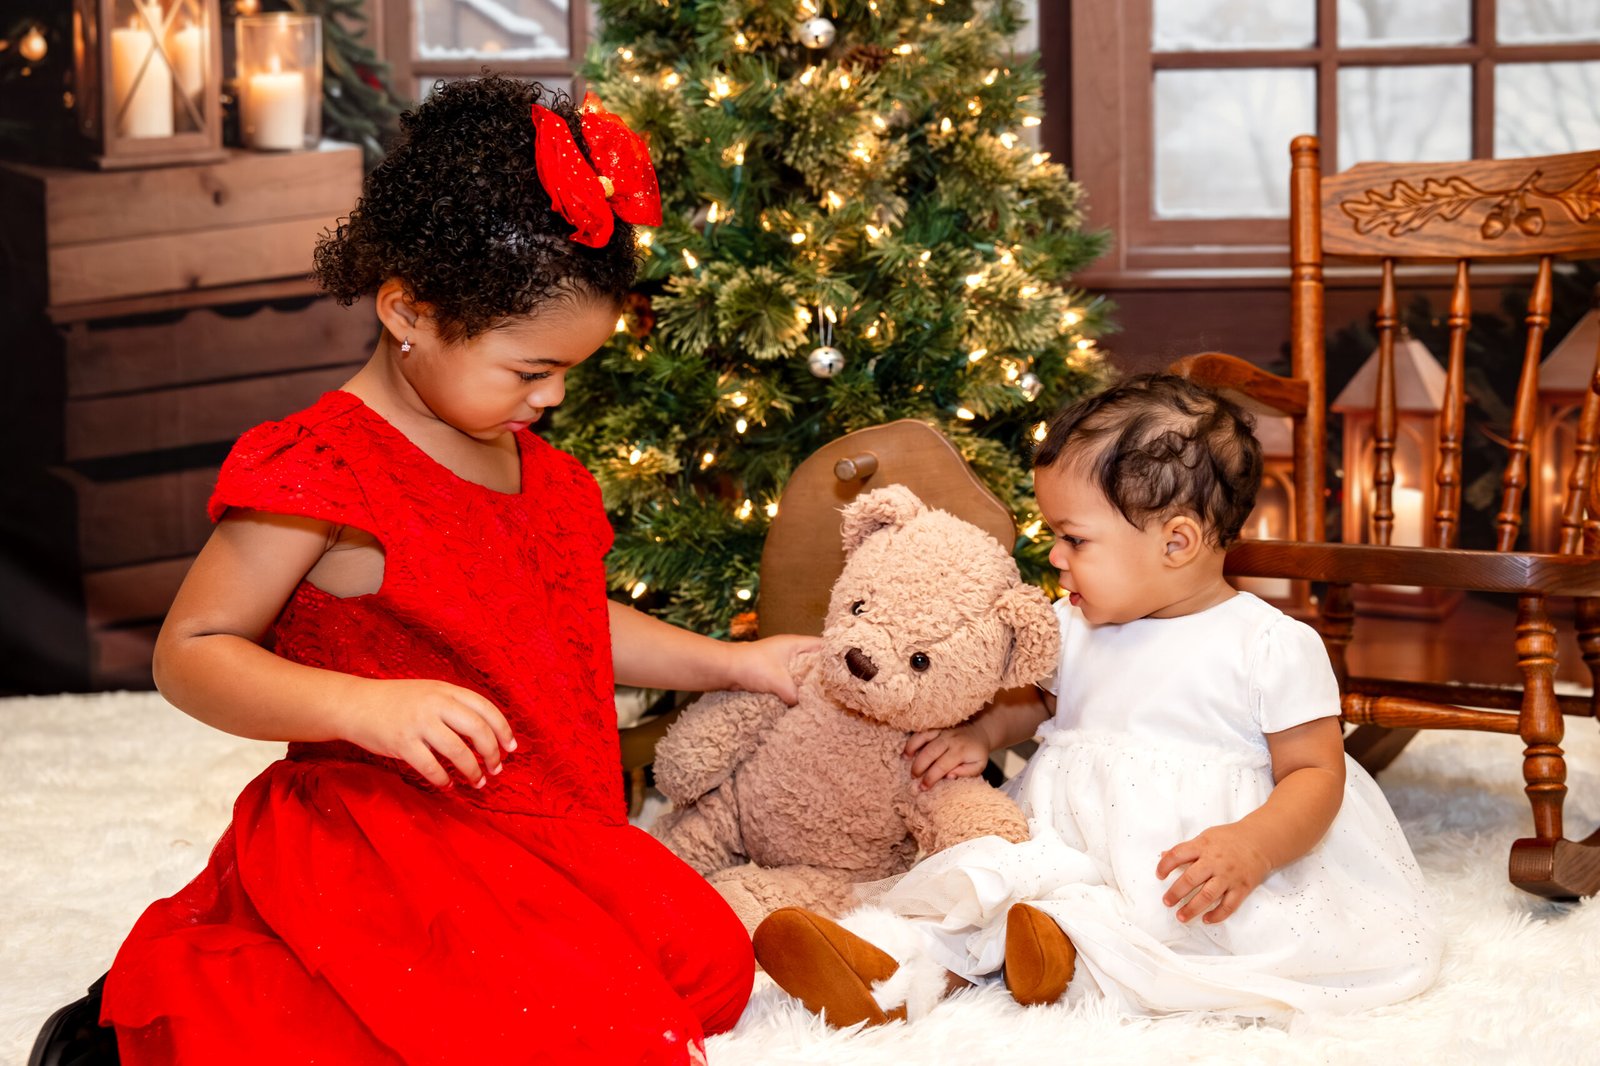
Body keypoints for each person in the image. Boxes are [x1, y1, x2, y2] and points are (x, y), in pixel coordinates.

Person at [72, 76, 817, 1065]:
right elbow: (191, 653)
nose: (550, 398)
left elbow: (562, 623)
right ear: (407, 312)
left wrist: (736, 663)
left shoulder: (535, 469)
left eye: (568, 374)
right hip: (389, 832)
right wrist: (363, 707)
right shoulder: (325, 467)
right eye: (528, 371)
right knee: (576, 1036)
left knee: (709, 970)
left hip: (540, 820)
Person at [754, 374, 1441, 1025]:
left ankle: (1052, 954)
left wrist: (1253, 847)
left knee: (1164, 929)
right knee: (990, 881)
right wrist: (984, 735)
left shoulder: (1270, 644)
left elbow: (1317, 773)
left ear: (1177, 541)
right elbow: (1046, 703)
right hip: (1070, 832)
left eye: (1074, 538)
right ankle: (894, 977)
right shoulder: (1072, 622)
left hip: (1186, 859)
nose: (1055, 556)